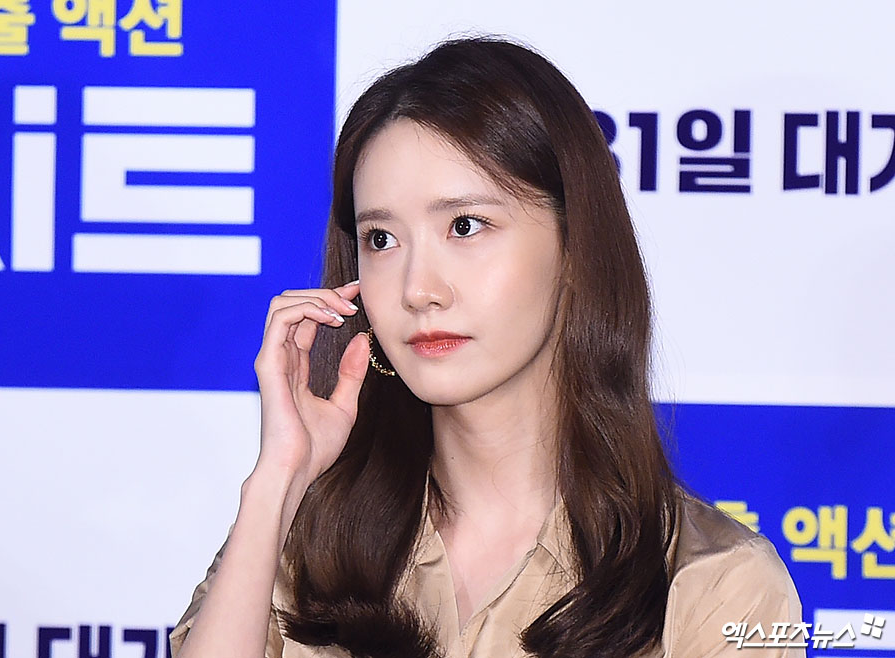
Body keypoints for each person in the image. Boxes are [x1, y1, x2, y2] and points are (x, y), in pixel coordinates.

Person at [169, 37, 804, 658]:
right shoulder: (297, 543)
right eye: (381, 239)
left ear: (574, 246)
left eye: (465, 226)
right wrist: (281, 478)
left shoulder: (713, 585)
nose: (418, 290)